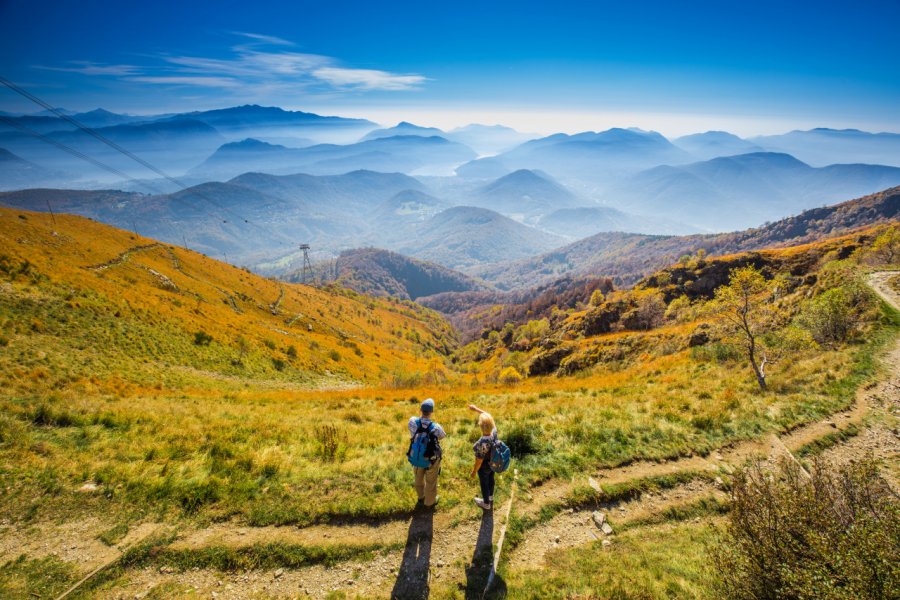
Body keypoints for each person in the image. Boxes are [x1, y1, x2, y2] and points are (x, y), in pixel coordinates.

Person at [408, 398, 446, 509]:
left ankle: (421, 497)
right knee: (431, 481)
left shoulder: (412, 421)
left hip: (416, 456)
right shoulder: (436, 427)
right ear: (431, 412)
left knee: (418, 478)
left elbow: (411, 431)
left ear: (420, 409)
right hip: (431, 458)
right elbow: (442, 436)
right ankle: (429, 503)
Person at [468, 404, 497, 511]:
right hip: (493, 461)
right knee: (491, 478)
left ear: (480, 426)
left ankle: (486, 503)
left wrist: (474, 471)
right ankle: (490, 497)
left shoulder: (482, 443)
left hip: (484, 465)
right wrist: (476, 409)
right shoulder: (494, 432)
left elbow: (479, 461)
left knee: (484, 482)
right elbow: (488, 416)